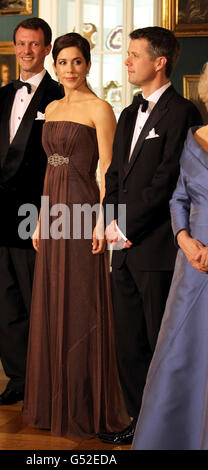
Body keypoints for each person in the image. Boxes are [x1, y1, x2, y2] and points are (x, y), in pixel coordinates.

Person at [22, 32, 133, 442]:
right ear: (55, 65)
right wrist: (36, 220)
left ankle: (87, 404)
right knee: (52, 299)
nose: (69, 69)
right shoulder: (51, 107)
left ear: (87, 64)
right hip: (51, 214)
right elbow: (49, 170)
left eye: (77, 62)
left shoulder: (101, 108)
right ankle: (54, 402)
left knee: (82, 301)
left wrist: (105, 222)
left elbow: (109, 171)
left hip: (84, 212)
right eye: (63, 62)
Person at [99, 26, 202, 444]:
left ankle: (162, 428)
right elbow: (115, 176)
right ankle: (138, 423)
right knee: (129, 345)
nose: (127, 61)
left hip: (159, 249)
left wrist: (126, 226)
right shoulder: (126, 113)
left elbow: (169, 181)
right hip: (122, 249)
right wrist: (111, 223)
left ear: (159, 62)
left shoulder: (184, 113)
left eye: (134, 54)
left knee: (160, 343)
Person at [0, 18, 63, 406]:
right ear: (14, 46)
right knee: (5, 299)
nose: (27, 51)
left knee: (37, 299)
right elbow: (3, 159)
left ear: (46, 49)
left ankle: (43, 383)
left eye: (34, 44)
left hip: (37, 211)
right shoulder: (1, 95)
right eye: (21, 43)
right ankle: (16, 379)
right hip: (0, 211)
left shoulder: (60, 94)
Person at [132, 62, 208, 450]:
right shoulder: (194, 138)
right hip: (192, 261)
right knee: (178, 353)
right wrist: (183, 238)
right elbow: (178, 197)